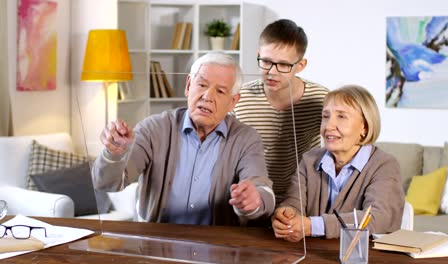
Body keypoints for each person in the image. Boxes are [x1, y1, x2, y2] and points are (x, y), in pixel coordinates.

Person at [92, 52, 275, 226]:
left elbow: (263, 190)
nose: (207, 96)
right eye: (202, 85)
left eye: (220, 91)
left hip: (218, 247)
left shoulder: (246, 139)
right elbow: (107, 184)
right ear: (188, 85)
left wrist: (255, 200)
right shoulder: (154, 128)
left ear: (233, 101)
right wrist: (113, 154)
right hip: (157, 243)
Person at [272, 85, 404, 240]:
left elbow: (379, 219)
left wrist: (311, 226)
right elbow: (293, 202)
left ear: (365, 127)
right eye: (326, 116)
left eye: (341, 116)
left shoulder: (384, 165)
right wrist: (287, 217)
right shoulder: (309, 160)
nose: (328, 126)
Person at [233, 19, 328, 204]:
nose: (272, 72)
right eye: (266, 61)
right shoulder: (239, 97)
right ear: (258, 55)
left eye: (284, 65)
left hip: (304, 198)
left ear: (301, 65)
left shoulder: (322, 99)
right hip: (252, 198)